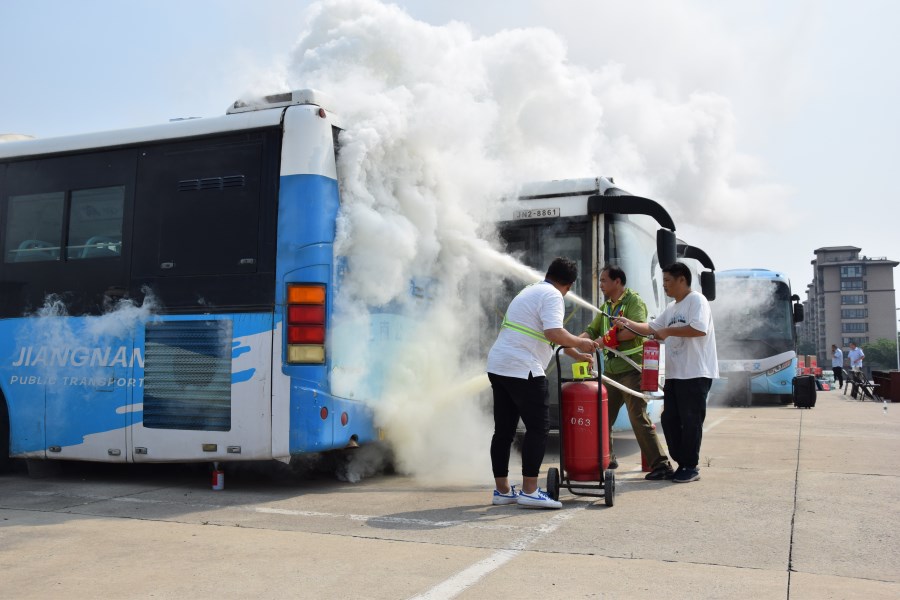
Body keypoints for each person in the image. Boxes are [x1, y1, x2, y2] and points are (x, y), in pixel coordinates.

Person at [487, 257, 599, 509]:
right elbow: (554, 332)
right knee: (538, 428)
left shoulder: (531, 290)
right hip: (523, 367)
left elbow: (550, 336)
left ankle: (503, 491)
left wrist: (576, 354)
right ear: (569, 285)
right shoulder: (553, 295)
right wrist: (581, 342)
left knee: (503, 431)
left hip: (499, 365)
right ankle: (529, 490)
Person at [613, 262, 718, 484]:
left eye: (668, 281)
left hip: (695, 373)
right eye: (663, 281)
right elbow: (651, 328)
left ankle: (690, 466)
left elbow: (699, 329)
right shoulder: (671, 308)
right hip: (675, 374)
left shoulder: (697, 300)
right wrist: (628, 323)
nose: (664, 286)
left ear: (682, 279)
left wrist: (668, 331)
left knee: (691, 421)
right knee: (669, 419)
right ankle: (681, 462)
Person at [568, 265, 674, 480]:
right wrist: (574, 342)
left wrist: (601, 342)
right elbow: (592, 331)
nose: (601, 285)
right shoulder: (607, 306)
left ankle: (661, 465)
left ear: (617, 282)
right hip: (612, 371)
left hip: (632, 370)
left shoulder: (633, 302)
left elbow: (634, 331)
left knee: (637, 417)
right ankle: (607, 458)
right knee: (602, 416)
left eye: (604, 280)